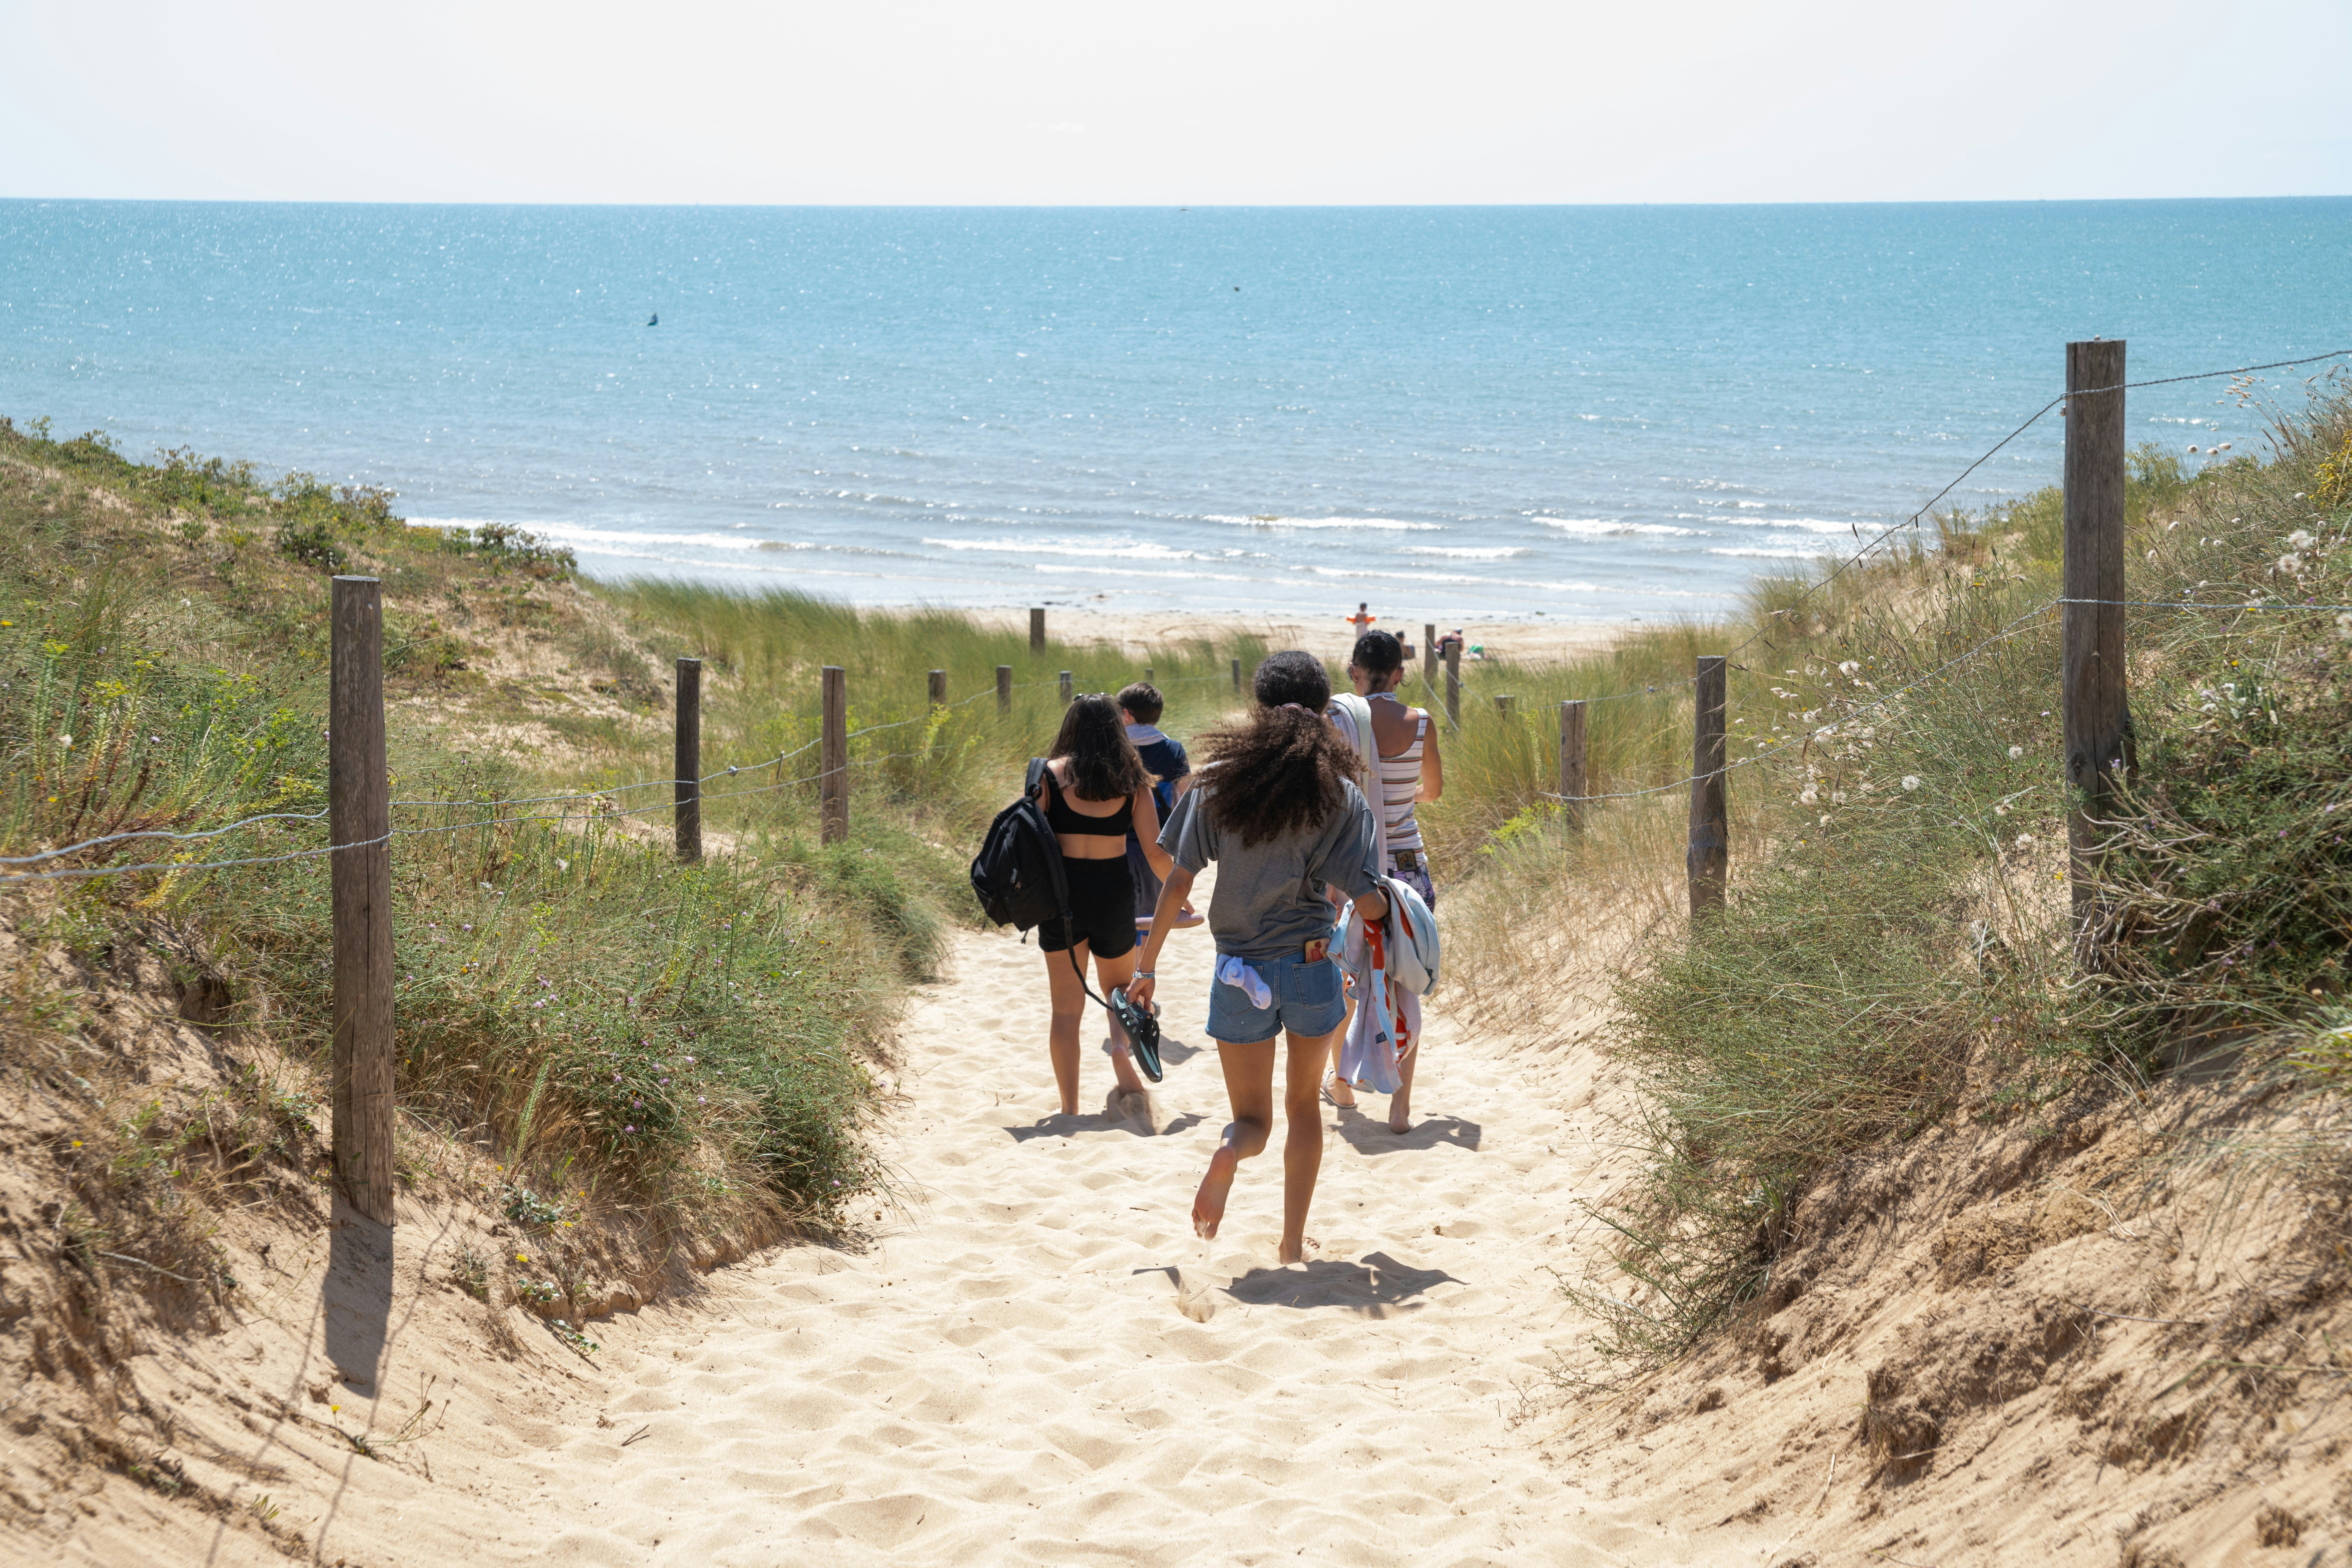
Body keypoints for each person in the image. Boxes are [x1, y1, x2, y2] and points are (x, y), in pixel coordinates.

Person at [1130, 652, 1389, 1263]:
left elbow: (1177, 882)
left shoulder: (1219, 781)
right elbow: (1366, 902)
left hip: (1236, 971)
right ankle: (1292, 1244)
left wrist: (1147, 966)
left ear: (1259, 711)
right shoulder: (1341, 794)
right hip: (1309, 965)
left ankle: (1228, 1154)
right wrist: (1392, 907)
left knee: (1252, 1123)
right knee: (1303, 1110)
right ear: (1322, 714)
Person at [1325, 628, 1444, 1132]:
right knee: (1403, 987)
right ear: (1399, 673)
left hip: (1359, 871)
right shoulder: (1422, 724)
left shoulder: (1340, 724)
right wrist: (1403, 794)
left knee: (1349, 981)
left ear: (1354, 671)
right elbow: (1433, 791)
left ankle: (1343, 1084)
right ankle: (1400, 1106)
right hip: (1410, 869)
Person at [1035, 695, 1173, 1117]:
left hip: (1063, 897)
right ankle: (1118, 1048)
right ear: (1118, 727)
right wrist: (1179, 893)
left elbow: (1033, 841)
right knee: (1119, 993)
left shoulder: (1048, 775)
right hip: (1114, 892)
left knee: (1065, 1009)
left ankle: (1070, 1108)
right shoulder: (1133, 780)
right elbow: (1153, 853)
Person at [1115, 681, 1201, 931]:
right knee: (1147, 920)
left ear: (1127, 714)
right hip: (1157, 844)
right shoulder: (1172, 749)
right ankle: (1138, 971)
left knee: (1122, 919)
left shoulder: (1114, 747)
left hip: (1115, 842)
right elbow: (1186, 794)